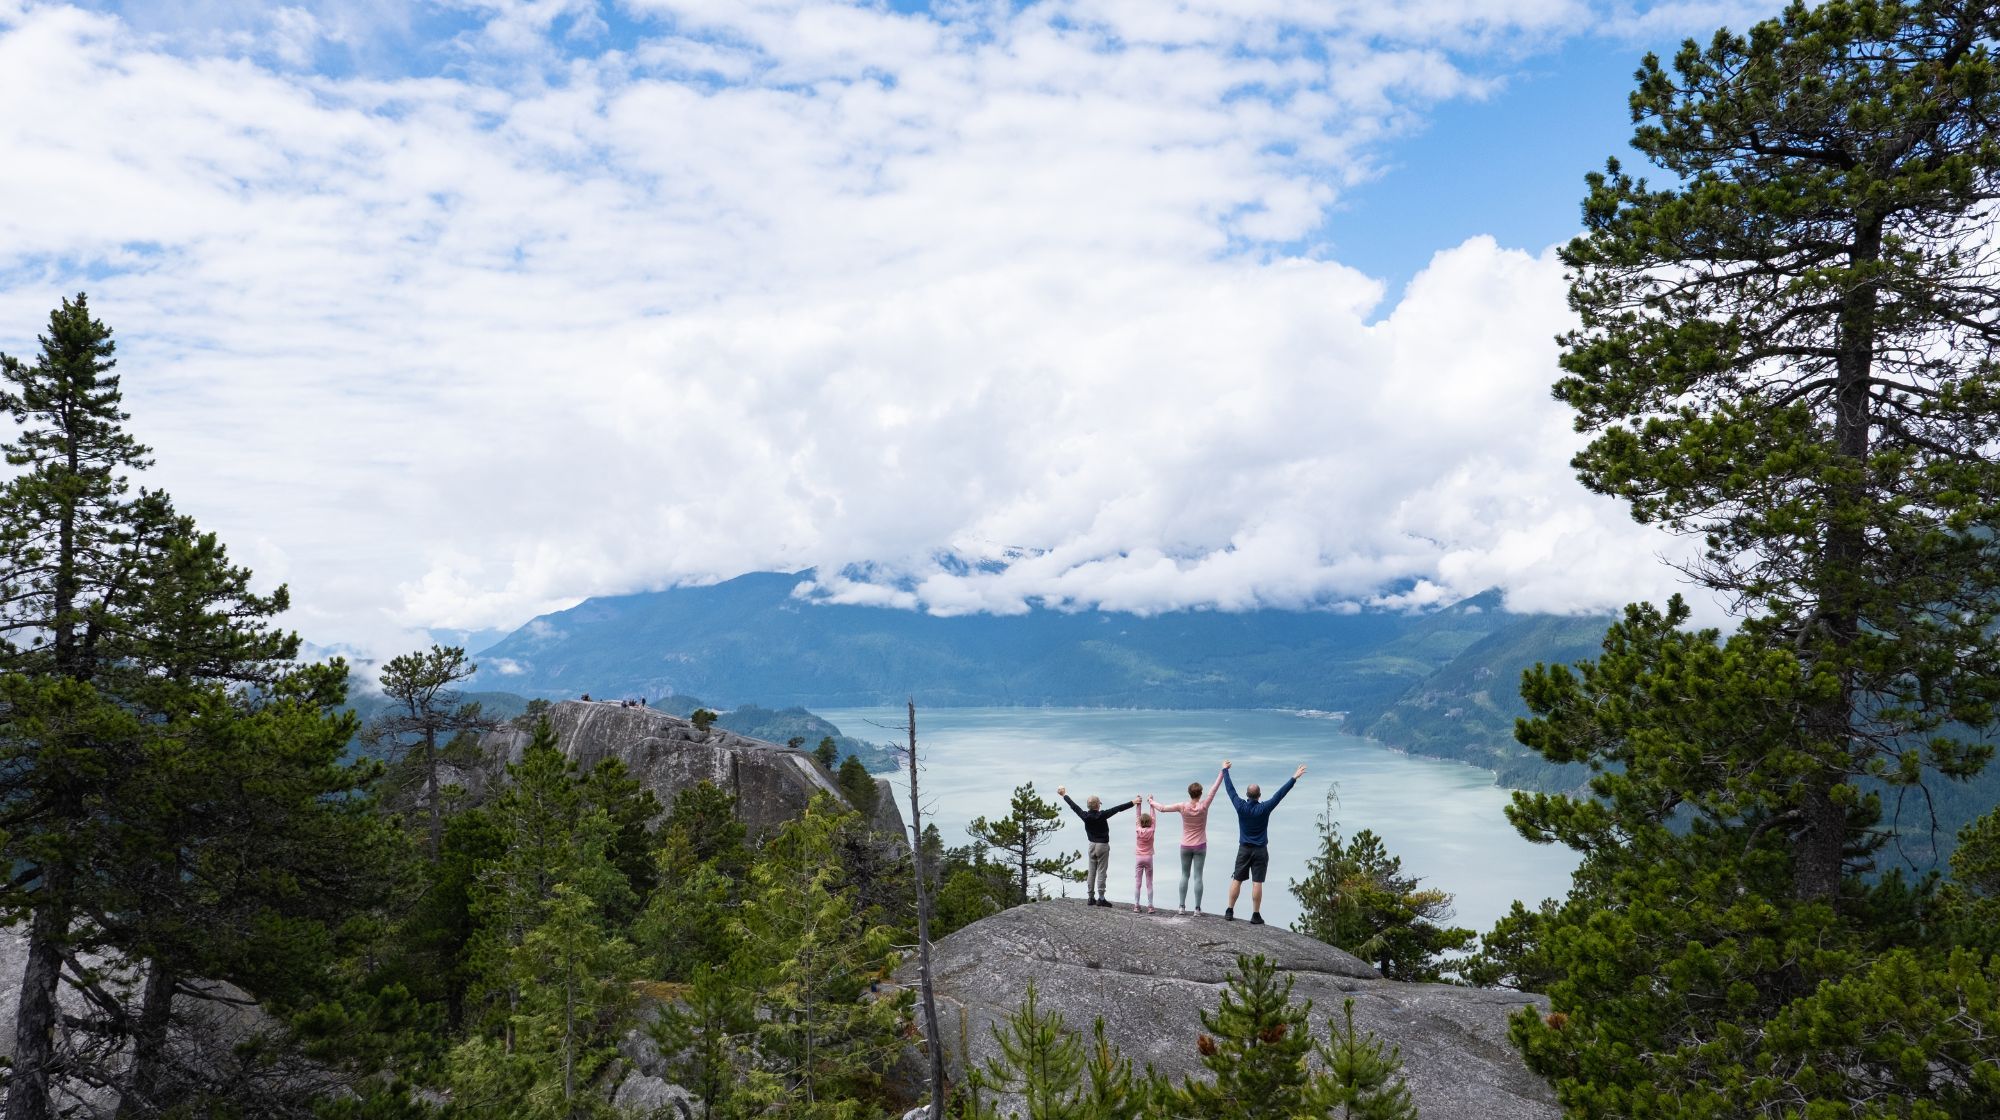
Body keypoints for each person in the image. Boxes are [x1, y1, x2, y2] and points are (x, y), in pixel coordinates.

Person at [1221, 759, 1307, 925]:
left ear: (1247, 795)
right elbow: (1279, 795)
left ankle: (1229, 910)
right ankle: (1255, 914)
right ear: (1259, 795)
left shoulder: (1240, 806)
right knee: (1257, 882)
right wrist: (1294, 778)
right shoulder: (1264, 808)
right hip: (1260, 850)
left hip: (1244, 849)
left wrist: (1225, 771)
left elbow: (1230, 790)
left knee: (1237, 879)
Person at [1150, 767, 1224, 915]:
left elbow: (1163, 808)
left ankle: (1181, 907)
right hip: (1201, 845)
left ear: (1189, 793)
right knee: (1198, 876)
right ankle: (1197, 909)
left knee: (1185, 875)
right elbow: (1214, 789)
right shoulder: (1204, 805)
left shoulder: (1182, 806)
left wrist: (1151, 801)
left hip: (1185, 845)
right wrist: (1223, 771)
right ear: (1200, 793)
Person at [1057, 786, 1136, 907]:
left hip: (1091, 846)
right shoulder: (1102, 815)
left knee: (1092, 871)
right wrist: (1133, 802)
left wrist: (1064, 795)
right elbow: (1118, 808)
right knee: (1101, 871)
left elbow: (1073, 806)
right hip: (1102, 846)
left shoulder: (1084, 816)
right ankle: (1101, 898)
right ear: (1098, 805)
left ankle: (1090, 897)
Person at [1133, 798, 1157, 913]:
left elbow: (1138, 816)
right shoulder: (1152, 830)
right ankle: (1150, 906)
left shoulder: (1138, 829)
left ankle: (1136, 905)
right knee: (1149, 882)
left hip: (1139, 857)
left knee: (1138, 882)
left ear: (1140, 822)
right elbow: (1153, 817)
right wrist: (1151, 803)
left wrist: (1138, 804)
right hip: (1148, 857)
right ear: (1150, 822)